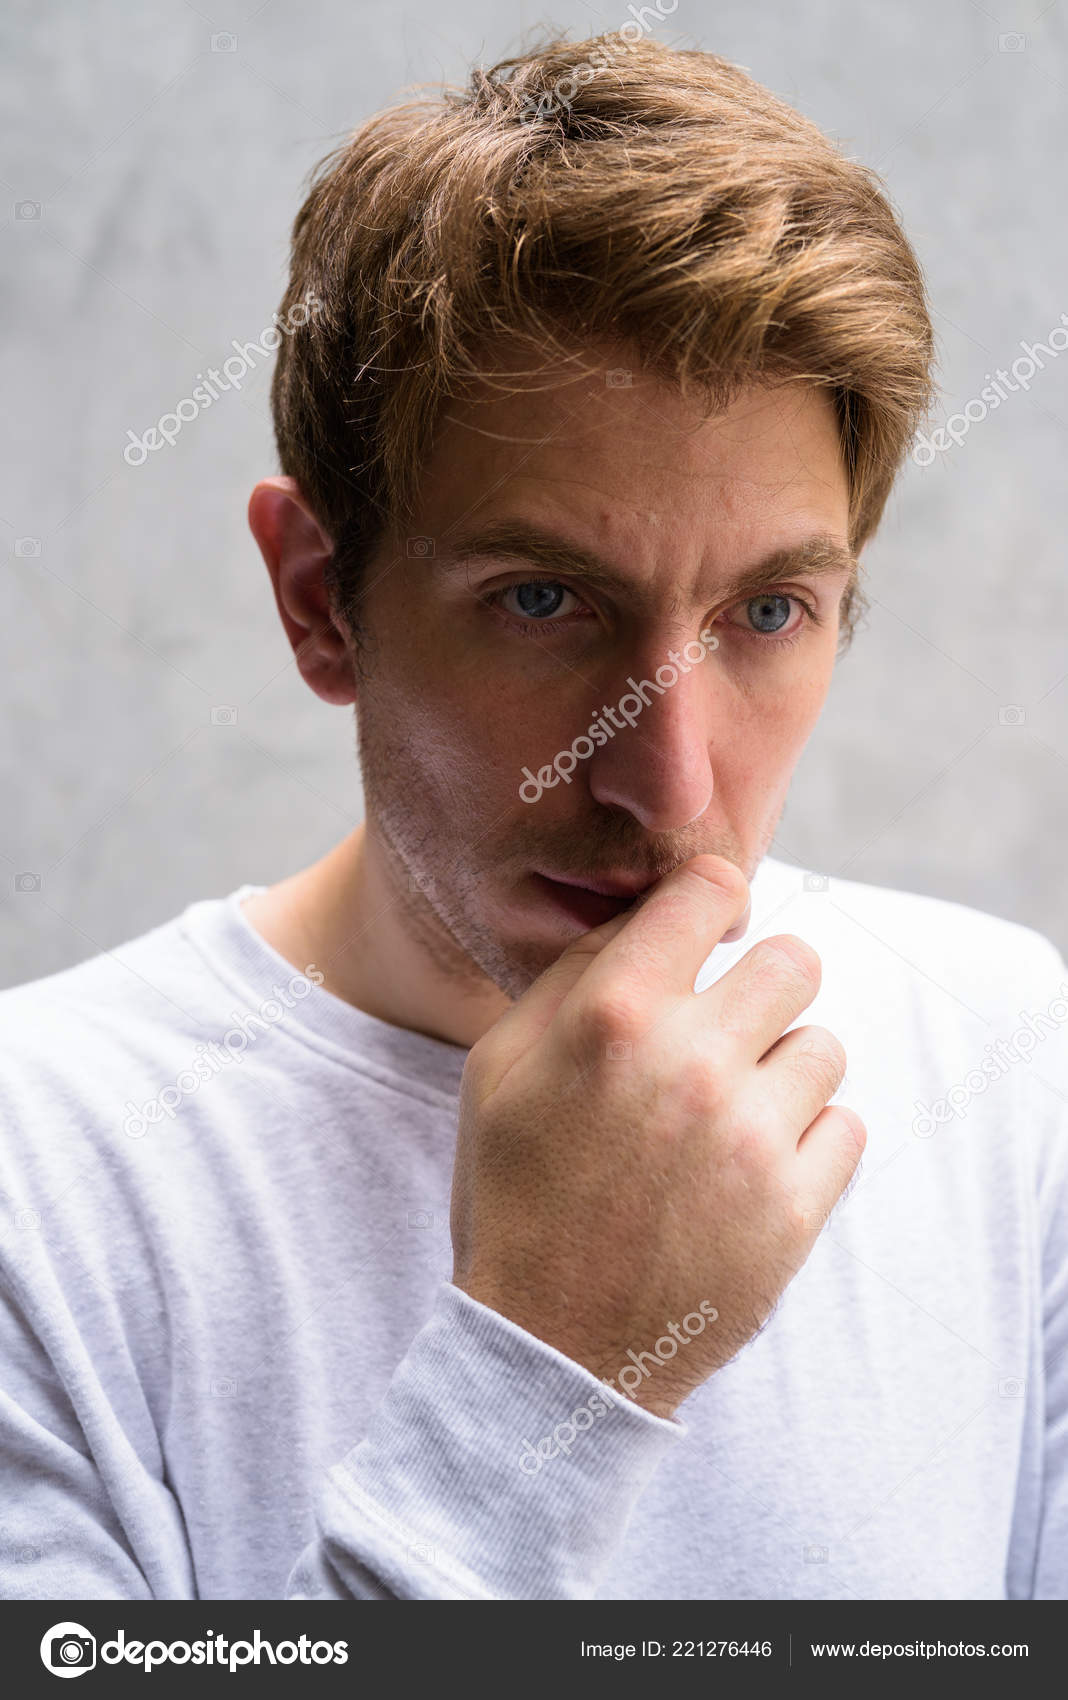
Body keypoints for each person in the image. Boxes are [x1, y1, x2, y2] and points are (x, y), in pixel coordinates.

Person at [2, 33, 1065, 1603]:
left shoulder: (1011, 1058)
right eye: (546, 600)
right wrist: (552, 1369)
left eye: (772, 610)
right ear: (319, 601)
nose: (672, 780)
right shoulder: (40, 1179)